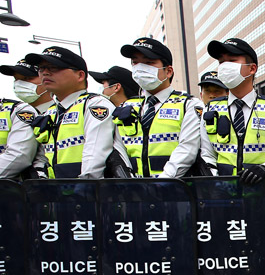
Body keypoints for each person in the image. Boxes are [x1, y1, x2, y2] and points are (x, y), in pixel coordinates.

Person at [25, 46, 126, 179]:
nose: (45, 73)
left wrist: (82, 189)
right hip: (55, 193)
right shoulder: (50, 113)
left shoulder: (94, 105)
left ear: (80, 75)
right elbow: (42, 159)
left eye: (53, 68)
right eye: (41, 69)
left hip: (88, 192)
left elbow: (95, 156)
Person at [114, 37, 204, 178]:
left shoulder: (188, 104)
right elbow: (118, 148)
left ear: (168, 71)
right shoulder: (126, 107)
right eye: (135, 62)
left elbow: (187, 149)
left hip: (177, 190)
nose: (140, 68)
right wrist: (129, 183)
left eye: (149, 62)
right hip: (135, 192)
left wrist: (161, 183)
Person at [200, 37, 265, 183]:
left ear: (252, 68)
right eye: (221, 62)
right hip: (223, 194)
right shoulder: (211, 109)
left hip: (263, 193)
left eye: (232, 61)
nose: (225, 67)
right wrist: (215, 180)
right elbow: (207, 153)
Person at [0, 59, 47, 177]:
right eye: (16, 79)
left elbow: (18, 156)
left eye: (27, 78)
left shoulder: (18, 111)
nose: (19, 84)